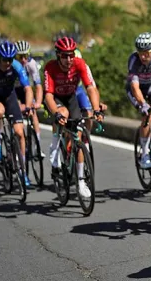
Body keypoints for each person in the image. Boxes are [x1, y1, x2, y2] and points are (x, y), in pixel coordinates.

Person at [43, 37, 106, 199]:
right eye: (64, 56)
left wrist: (97, 109)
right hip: (56, 99)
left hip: (71, 98)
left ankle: (81, 181)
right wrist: (55, 113)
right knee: (62, 114)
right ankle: (55, 146)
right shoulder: (50, 67)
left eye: (71, 55)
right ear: (58, 55)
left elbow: (91, 88)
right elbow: (48, 95)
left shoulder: (80, 64)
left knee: (78, 139)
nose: (69, 59)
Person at [0, 41, 33, 187]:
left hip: (9, 96)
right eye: (5, 60)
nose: (8, 63)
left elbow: (28, 88)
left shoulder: (16, 66)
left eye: (11, 59)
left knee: (19, 132)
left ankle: (23, 170)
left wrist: (28, 106)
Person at [126, 32, 151, 169]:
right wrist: (143, 104)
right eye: (140, 52)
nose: (143, 56)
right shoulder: (134, 59)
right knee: (147, 114)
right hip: (136, 90)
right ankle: (144, 155)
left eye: (146, 53)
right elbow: (135, 86)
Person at [14, 40, 44, 157]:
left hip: (26, 90)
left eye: (26, 56)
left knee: (33, 113)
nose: (23, 60)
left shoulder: (31, 64)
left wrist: (38, 102)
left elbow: (38, 86)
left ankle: (38, 146)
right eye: (20, 57)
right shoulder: (12, 65)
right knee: (15, 114)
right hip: (14, 91)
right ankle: (16, 144)